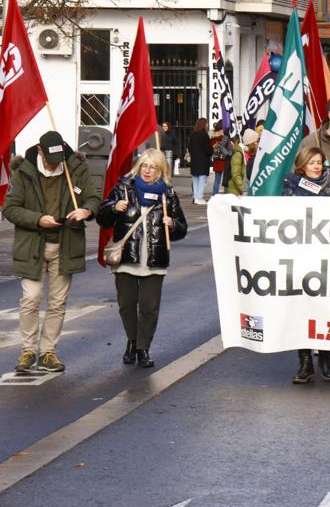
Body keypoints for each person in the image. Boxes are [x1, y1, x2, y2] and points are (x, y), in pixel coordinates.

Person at [5, 131, 100, 373]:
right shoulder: (24, 172)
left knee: (57, 302)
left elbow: (93, 198)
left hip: (65, 244)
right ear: (40, 151)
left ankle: (48, 352)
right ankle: (28, 350)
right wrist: (38, 219)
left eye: (59, 158)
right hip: (32, 245)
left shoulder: (74, 168)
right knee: (31, 299)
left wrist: (86, 211)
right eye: (50, 159)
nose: (55, 163)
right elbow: (11, 209)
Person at [97, 149, 188, 369]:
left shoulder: (168, 193)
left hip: (155, 260)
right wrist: (113, 208)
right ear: (139, 167)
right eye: (144, 166)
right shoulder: (124, 188)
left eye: (153, 167)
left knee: (149, 308)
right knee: (127, 306)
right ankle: (132, 340)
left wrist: (172, 224)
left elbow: (182, 229)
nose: (147, 171)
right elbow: (102, 218)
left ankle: (143, 349)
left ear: (160, 170)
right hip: (127, 257)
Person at [282, 144, 330, 383]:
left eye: (319, 162)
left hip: (328, 255)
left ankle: (326, 358)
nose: (316, 166)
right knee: (302, 309)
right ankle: (305, 362)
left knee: (325, 309)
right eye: (311, 163)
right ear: (302, 165)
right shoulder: (291, 186)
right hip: (302, 255)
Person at [224, 129, 259, 197]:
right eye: (256, 141)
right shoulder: (239, 154)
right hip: (237, 192)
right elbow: (236, 175)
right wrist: (243, 189)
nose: (258, 143)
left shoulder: (252, 154)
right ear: (251, 143)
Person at [187, 118, 212, 204]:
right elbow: (208, 149)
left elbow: (189, 147)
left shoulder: (193, 134)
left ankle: (195, 196)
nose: (207, 125)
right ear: (204, 124)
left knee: (195, 180)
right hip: (203, 161)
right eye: (206, 123)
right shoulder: (204, 135)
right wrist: (210, 152)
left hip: (194, 160)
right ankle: (199, 197)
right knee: (202, 180)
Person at [210, 130, 233, 195]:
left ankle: (215, 194)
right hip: (225, 161)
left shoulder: (213, 139)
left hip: (216, 162)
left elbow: (210, 148)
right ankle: (227, 194)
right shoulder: (225, 138)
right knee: (227, 179)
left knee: (217, 180)